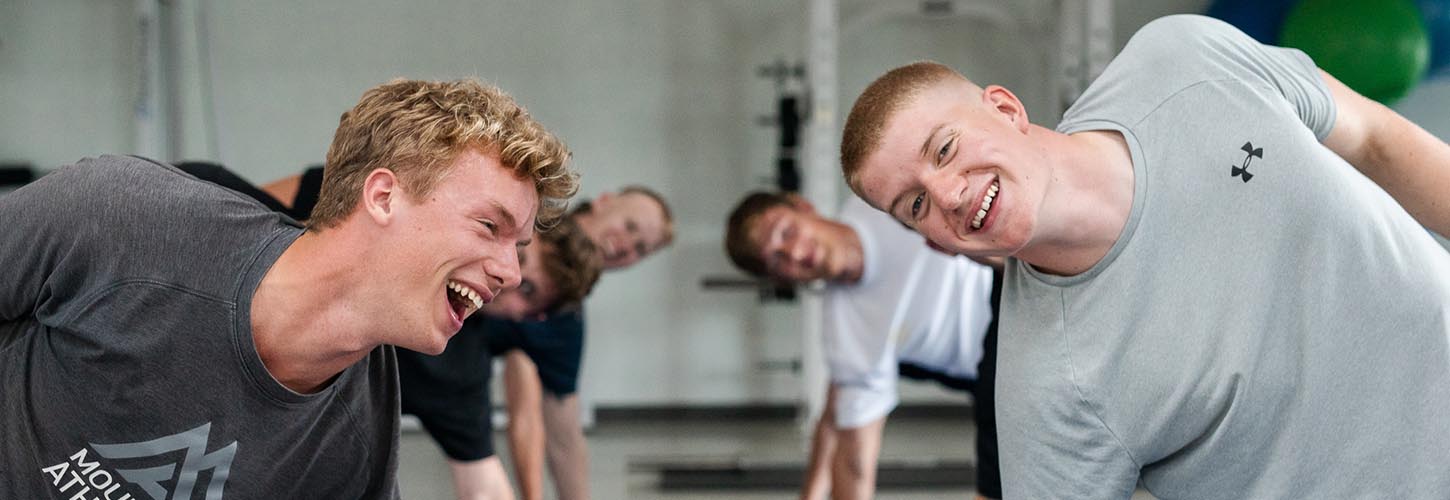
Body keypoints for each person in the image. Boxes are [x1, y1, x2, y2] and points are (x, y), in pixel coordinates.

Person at [841, 14, 1450, 499]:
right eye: (914, 204)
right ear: (931, 242)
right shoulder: (1046, 394)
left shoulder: (1181, 61)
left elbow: (1375, 139)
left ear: (1005, 108)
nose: (946, 195)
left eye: (944, 149)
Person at [0, 78, 576, 498]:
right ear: (383, 197)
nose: (511, 273)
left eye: (519, 247)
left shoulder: (356, 450)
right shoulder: (120, 216)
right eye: (489, 227)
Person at [725, 191, 1001, 500]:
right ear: (781, 280)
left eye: (787, 232)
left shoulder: (881, 199)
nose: (795, 253)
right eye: (778, 261)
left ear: (803, 206)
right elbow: (855, 459)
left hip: (1015, 279)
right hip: (997, 370)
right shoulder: (845, 336)